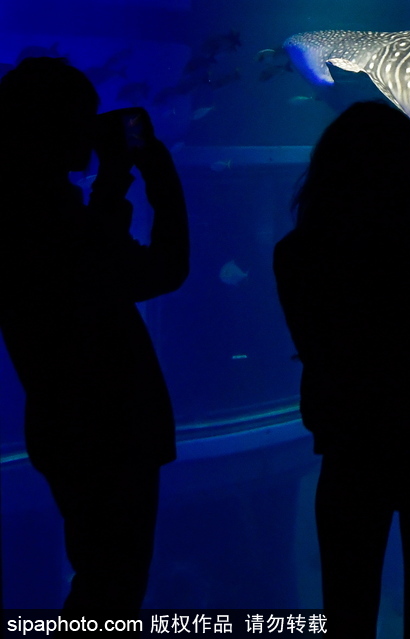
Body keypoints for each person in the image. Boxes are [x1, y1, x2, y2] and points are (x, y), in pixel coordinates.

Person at [273, 101, 410, 638]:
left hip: (352, 451)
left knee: (347, 617)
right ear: (407, 166)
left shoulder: (297, 254)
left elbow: (320, 348)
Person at [0, 58, 188, 616]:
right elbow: (163, 269)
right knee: (113, 587)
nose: (94, 128)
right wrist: (158, 172)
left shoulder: (23, 212)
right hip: (110, 428)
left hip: (67, 426)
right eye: (82, 117)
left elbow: (94, 258)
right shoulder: (48, 221)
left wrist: (110, 181)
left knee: (101, 574)